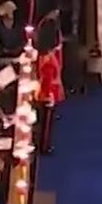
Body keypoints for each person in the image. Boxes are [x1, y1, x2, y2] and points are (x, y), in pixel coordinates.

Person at [35, 14, 64, 154]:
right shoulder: (47, 58)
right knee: (47, 122)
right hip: (48, 91)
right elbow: (47, 77)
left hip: (48, 89)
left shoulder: (45, 54)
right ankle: (44, 146)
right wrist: (49, 95)